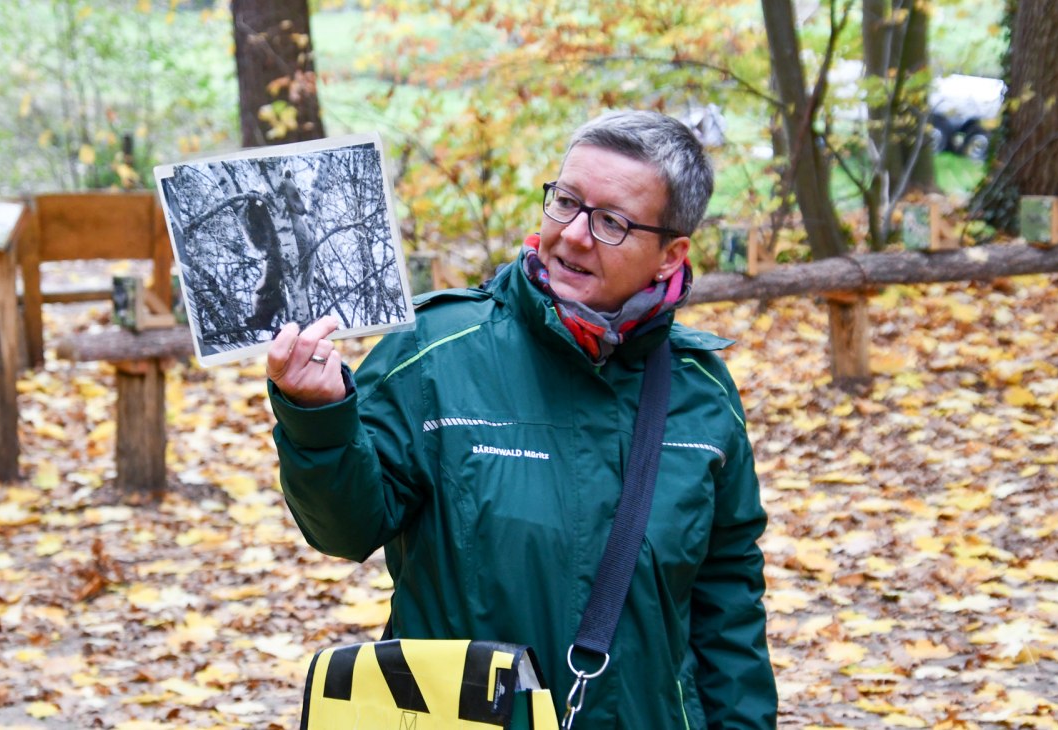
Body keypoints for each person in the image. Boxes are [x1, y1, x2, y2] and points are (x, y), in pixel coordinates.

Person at [267, 110, 777, 728]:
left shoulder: (701, 393)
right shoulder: (434, 353)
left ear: (670, 256)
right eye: (566, 202)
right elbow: (345, 531)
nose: (575, 235)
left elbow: (728, 603)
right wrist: (318, 415)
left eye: (611, 222)